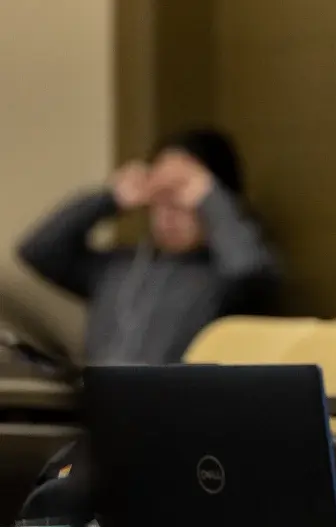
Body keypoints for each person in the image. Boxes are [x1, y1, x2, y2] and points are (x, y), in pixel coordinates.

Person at [17, 127, 279, 366]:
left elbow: (251, 271)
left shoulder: (220, 278)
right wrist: (111, 197)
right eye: (161, 196)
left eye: (181, 196)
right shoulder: (118, 268)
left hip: (174, 410)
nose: (169, 212)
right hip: (97, 406)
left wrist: (210, 197)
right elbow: (38, 251)